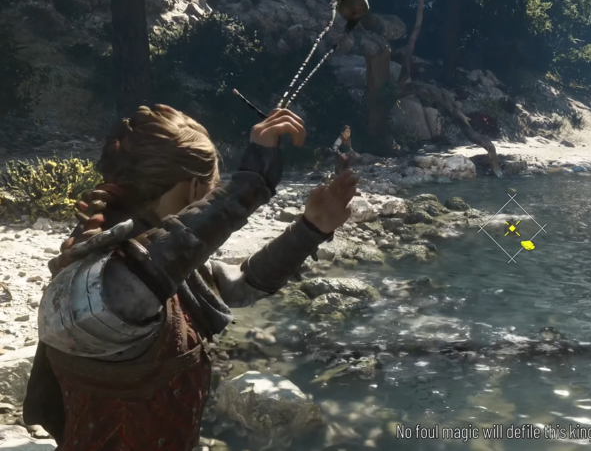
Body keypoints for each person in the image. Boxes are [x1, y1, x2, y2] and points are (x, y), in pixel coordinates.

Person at [23, 104, 359, 451]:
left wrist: (310, 229)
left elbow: (240, 283)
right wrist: (252, 180)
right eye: (212, 188)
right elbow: (144, 274)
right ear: (197, 190)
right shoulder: (106, 282)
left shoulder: (144, 264)